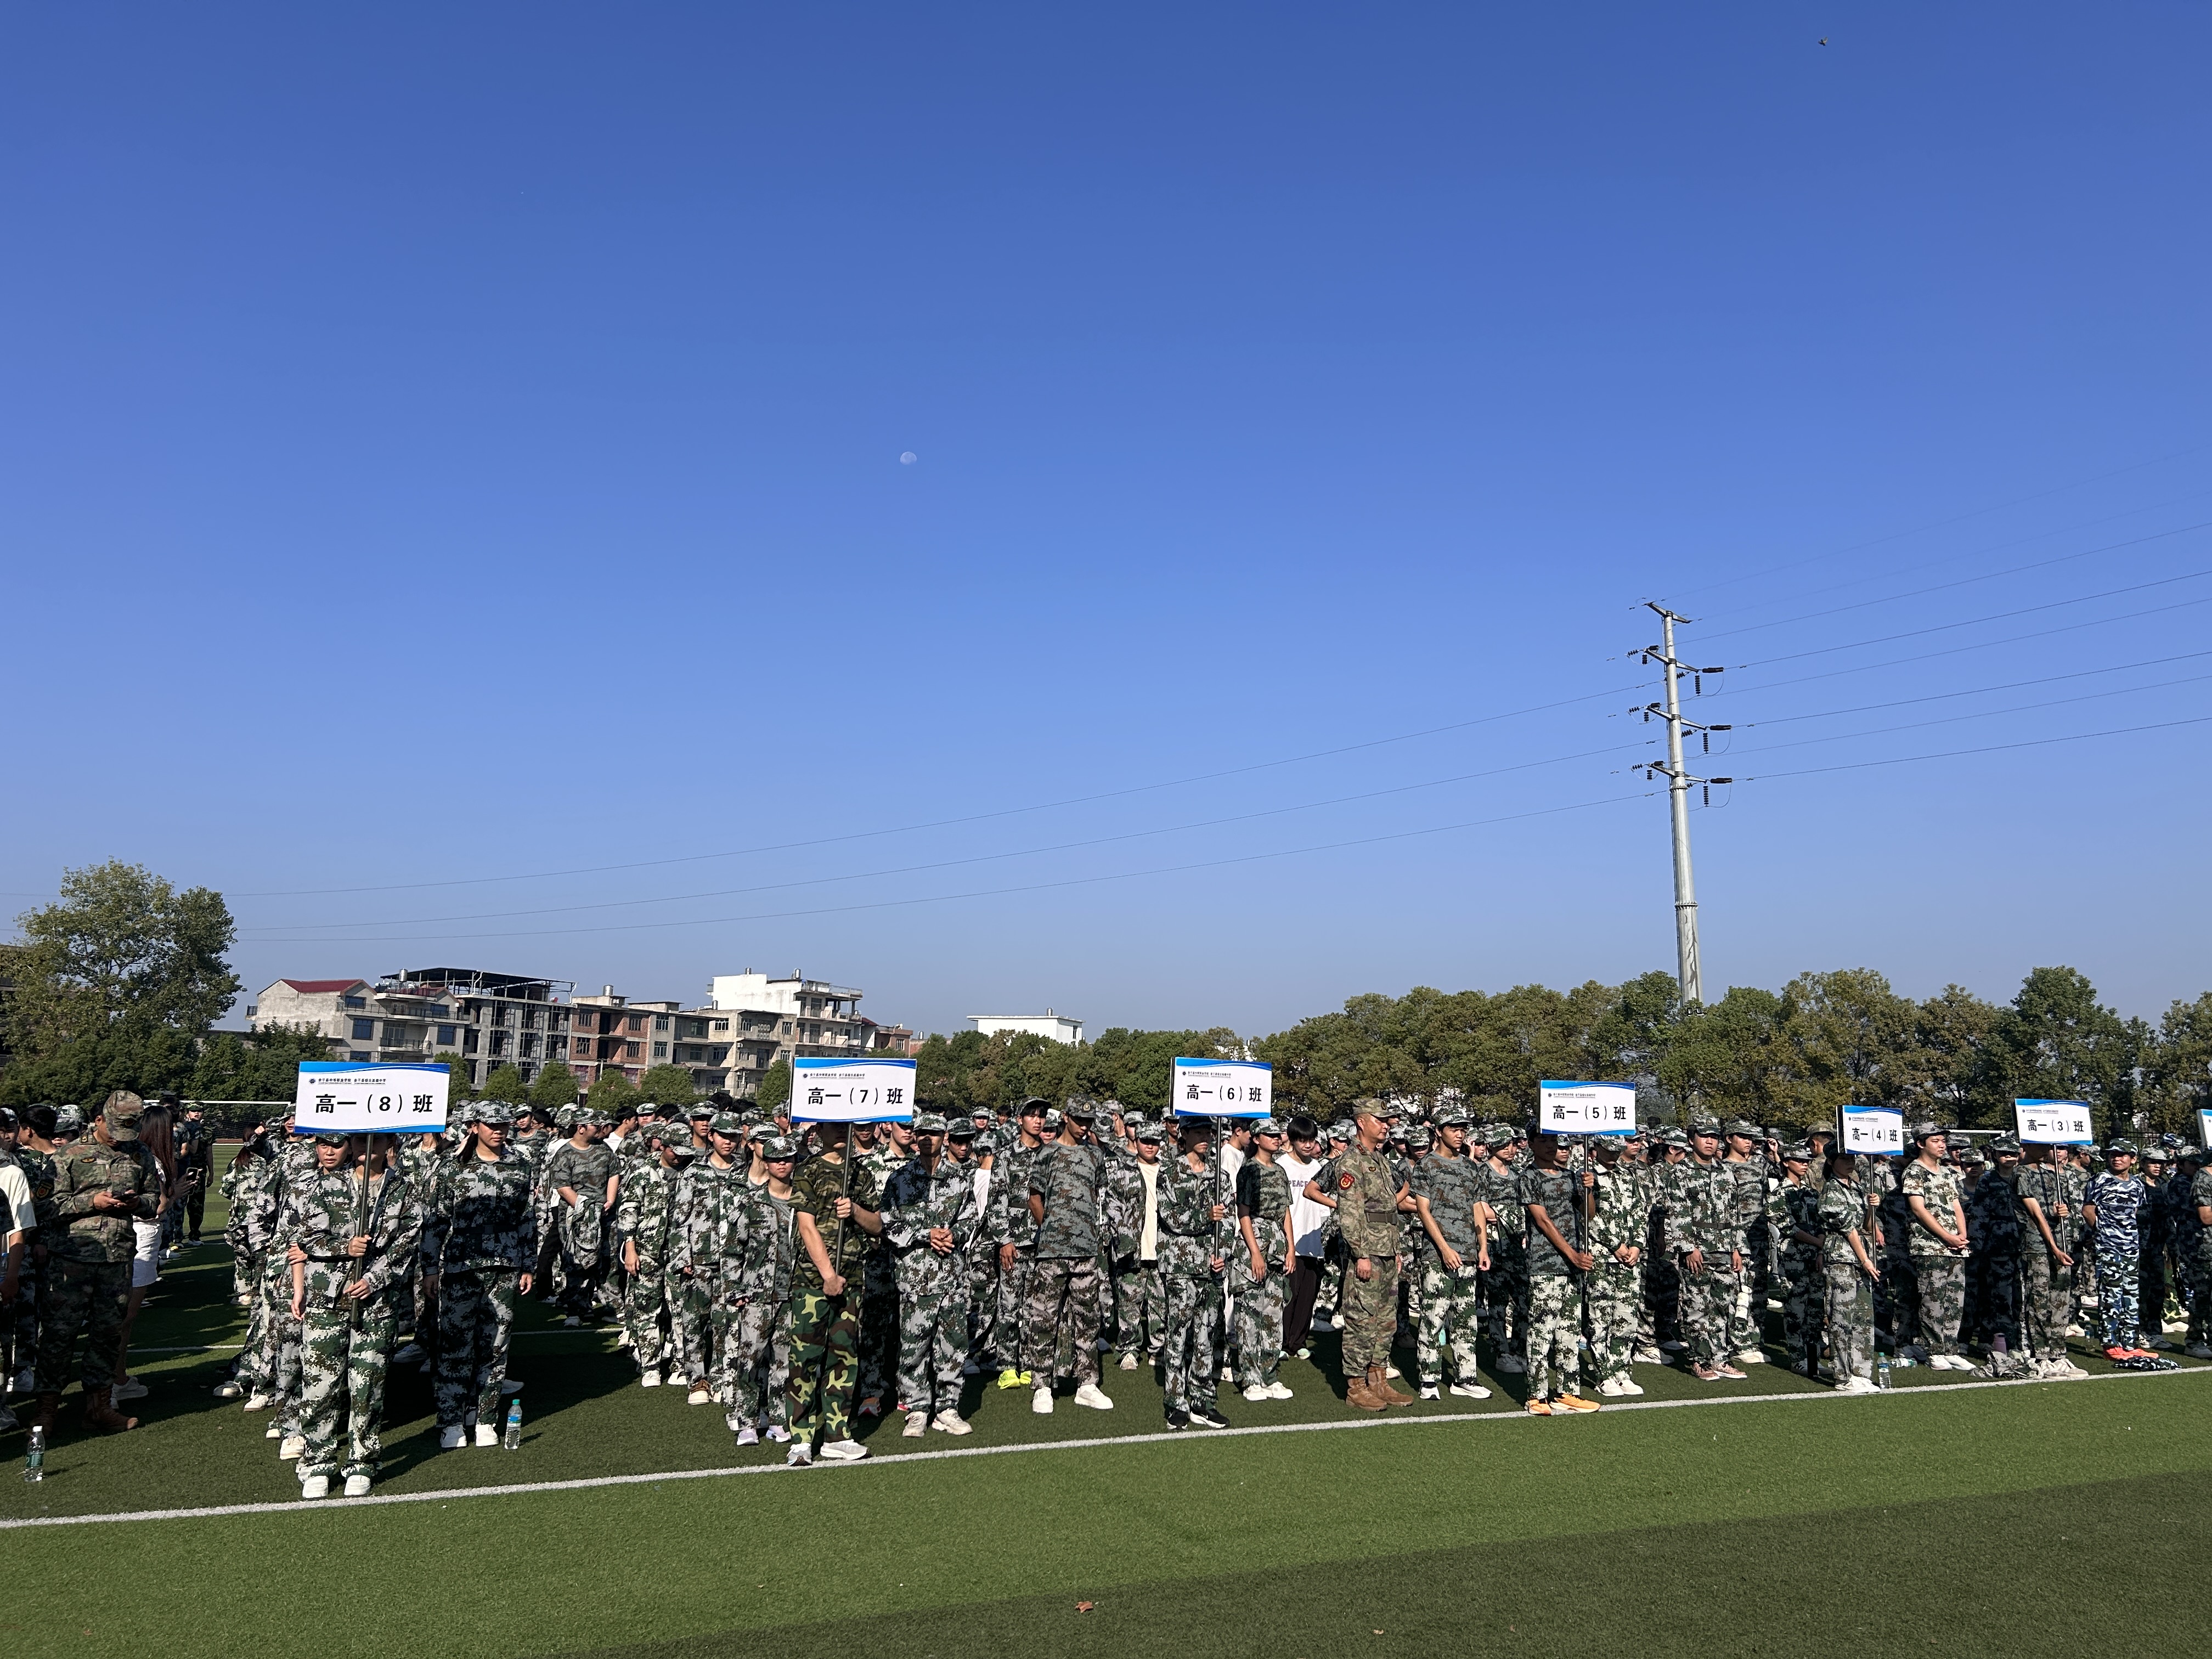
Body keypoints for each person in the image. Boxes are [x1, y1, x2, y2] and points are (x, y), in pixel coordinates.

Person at [290, 1132, 422, 1499]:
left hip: (375, 1304)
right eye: (360, 1140)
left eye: (376, 1141)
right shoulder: (324, 1185)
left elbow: (406, 1245)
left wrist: (373, 1279)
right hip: (326, 1299)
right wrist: (344, 1247)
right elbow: (306, 1238)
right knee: (320, 1386)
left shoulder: (404, 1191)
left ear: (389, 1145)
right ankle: (318, 1461)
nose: (368, 1147)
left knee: (367, 1386)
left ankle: (362, 1461)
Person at [32, 1090, 161, 1434]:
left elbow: (154, 1199)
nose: (120, 1138)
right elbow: (46, 1206)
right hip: (71, 1259)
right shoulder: (68, 1155)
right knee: (59, 1336)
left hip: (117, 1258)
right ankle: (46, 1410)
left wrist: (136, 1204)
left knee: (107, 1334)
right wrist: (92, 1202)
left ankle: (99, 1407)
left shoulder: (140, 1153)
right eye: (116, 1129)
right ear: (99, 1119)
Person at [427, 1102, 537, 1448]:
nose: (499, 1130)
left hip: (505, 1266)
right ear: (475, 1127)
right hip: (462, 1266)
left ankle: (486, 1417)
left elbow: (527, 1218)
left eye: (503, 1124)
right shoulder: (452, 1166)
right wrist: (430, 1268)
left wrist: (529, 1265)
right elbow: (436, 1219)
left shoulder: (521, 1164)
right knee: (455, 1345)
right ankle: (451, 1420)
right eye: (491, 1124)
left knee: (496, 1345)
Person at [783, 1119, 883, 1465]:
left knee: (844, 1358)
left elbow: (877, 1225)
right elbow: (806, 1227)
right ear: (820, 1132)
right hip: (813, 1281)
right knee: (806, 1359)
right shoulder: (808, 1171)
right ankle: (801, 1438)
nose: (842, 1131)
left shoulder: (860, 1174)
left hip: (852, 1278)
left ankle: (837, 1435)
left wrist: (854, 1211)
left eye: (846, 1126)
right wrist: (828, 1274)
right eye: (834, 1126)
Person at [881, 1112, 982, 1436]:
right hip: (916, 1277)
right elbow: (889, 1225)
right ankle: (917, 1408)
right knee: (914, 1345)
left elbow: (970, 1218)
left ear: (945, 1138)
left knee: (953, 1344)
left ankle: (948, 1407)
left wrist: (953, 1234)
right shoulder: (899, 1180)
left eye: (934, 1134)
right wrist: (927, 1235)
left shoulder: (960, 1179)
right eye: (922, 1133)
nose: (927, 1139)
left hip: (952, 1275)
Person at [1022, 1099, 1114, 1415]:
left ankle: (1087, 1384)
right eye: (1079, 1119)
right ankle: (1042, 1385)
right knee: (1044, 1318)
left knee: (1088, 1317)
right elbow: (1034, 1197)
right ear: (1065, 1118)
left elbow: (1098, 1195)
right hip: (1052, 1252)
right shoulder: (1047, 1154)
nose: (1084, 1126)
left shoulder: (1095, 1155)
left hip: (1086, 1250)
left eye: (1089, 1121)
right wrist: (1050, 1228)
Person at [1335, 1100, 1415, 1411]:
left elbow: (1389, 1209)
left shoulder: (1380, 1159)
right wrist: (1361, 1254)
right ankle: (1356, 1386)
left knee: (1385, 1319)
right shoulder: (1351, 1162)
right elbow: (1351, 1213)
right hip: (1368, 1252)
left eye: (1387, 1121)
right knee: (1362, 1318)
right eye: (1379, 1120)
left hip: (1387, 1250)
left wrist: (1396, 1251)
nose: (1385, 1125)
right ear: (1361, 1122)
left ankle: (1378, 1379)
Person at [1155, 1116, 1232, 1429]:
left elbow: (1228, 1220)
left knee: (1206, 1334)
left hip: (1210, 1267)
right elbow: (1170, 1217)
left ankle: (1202, 1399)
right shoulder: (1170, 1173)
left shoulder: (1220, 1176)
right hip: (1180, 1266)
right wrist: (1205, 1216)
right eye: (1198, 1132)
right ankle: (1176, 1402)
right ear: (1184, 1135)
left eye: (1208, 1132)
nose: (1205, 1137)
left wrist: (1222, 1254)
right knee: (1178, 1333)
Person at [1408, 1108, 1488, 1401]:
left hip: (1469, 1253)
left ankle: (1465, 1378)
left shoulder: (1471, 1167)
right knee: (1434, 1317)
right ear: (1439, 1131)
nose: (1460, 1133)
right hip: (1438, 1255)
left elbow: (1477, 1208)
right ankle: (1429, 1379)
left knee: (1467, 1320)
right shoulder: (1427, 1165)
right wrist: (1444, 1248)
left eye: (1463, 1128)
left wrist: (1483, 1247)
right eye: (1454, 1128)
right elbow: (1423, 1210)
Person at [1520, 1132, 1598, 1414]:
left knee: (1569, 1331)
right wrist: (1572, 1254)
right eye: (1544, 1141)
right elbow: (1542, 1220)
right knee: (1542, 1330)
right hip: (1546, 1263)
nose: (1551, 1146)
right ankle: (1536, 1395)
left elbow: (1588, 1214)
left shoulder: (1571, 1176)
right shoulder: (1529, 1177)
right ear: (1531, 1144)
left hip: (1573, 1264)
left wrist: (1589, 1190)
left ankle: (1567, 1392)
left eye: (1554, 1141)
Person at [615, 1126, 697, 1386]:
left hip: (680, 1252)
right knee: (647, 1308)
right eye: (675, 1151)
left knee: (680, 1309)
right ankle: (650, 1365)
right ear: (662, 1146)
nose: (679, 1157)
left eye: (684, 1153)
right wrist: (630, 1249)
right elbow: (629, 1211)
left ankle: (679, 1364)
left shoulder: (692, 1173)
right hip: (647, 1251)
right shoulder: (643, 1173)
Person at [1666, 1116, 1746, 1382]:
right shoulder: (1681, 1172)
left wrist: (1738, 1248)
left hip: (1724, 1247)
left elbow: (1735, 1213)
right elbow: (1678, 1211)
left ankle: (1721, 1358)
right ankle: (1699, 1359)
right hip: (1697, 1249)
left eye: (1714, 1137)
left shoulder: (1726, 1172)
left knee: (1724, 1305)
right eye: (1704, 1136)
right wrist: (1688, 1247)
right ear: (1692, 1140)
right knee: (1697, 1306)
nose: (1710, 1141)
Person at [1899, 1122, 1975, 1370]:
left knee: (1955, 1299)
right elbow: (1918, 1209)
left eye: (1943, 1141)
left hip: (1955, 1246)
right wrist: (1947, 1236)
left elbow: (1956, 1205)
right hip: (1929, 1245)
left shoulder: (1948, 1172)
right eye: (1936, 1141)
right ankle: (1934, 1350)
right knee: (1933, 1299)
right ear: (1921, 1144)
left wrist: (1961, 1235)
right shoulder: (1914, 1171)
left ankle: (1950, 1348)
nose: (1942, 1145)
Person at [987, 1098, 1050, 1391]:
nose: (1038, 1121)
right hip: (1014, 1242)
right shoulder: (1006, 1155)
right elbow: (996, 1200)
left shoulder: (1051, 1155)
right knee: (1009, 1306)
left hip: (1043, 1242)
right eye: (1032, 1115)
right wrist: (1004, 1240)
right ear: (1020, 1120)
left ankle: (1029, 1363)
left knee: (1036, 1308)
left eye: (1042, 1116)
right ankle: (1007, 1365)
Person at [1231, 1118, 1295, 1402]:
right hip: (1254, 1242)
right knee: (1249, 1314)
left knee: (1273, 1314)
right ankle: (1250, 1378)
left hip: (1277, 1245)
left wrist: (1291, 1248)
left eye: (1277, 1134)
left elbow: (1285, 1212)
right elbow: (1243, 1213)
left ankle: (1269, 1375)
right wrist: (1255, 1253)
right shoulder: (1249, 1170)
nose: (1276, 1138)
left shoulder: (1280, 1171)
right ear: (1256, 1139)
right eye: (1270, 1135)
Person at [1583, 1133, 1647, 1397]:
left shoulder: (1627, 1175)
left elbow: (1640, 1212)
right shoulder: (1589, 1177)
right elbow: (1589, 1218)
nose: (1612, 1155)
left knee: (1626, 1317)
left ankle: (1622, 1371)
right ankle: (1604, 1374)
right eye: (1607, 1150)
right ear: (1596, 1149)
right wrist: (1615, 1245)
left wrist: (1637, 1246)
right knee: (1600, 1317)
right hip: (1602, 1256)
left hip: (1629, 1258)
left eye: (1615, 1150)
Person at [2015, 1143, 2085, 1378]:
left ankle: (2058, 1353)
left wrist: (2062, 1213)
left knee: (2061, 1297)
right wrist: (2054, 1248)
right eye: (2042, 1144)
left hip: (2061, 1242)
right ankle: (2041, 1355)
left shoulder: (2053, 1174)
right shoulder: (2022, 1173)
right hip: (2037, 1245)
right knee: (2039, 1299)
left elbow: (2060, 1208)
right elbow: (2036, 1213)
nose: (2048, 1149)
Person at [1816, 1149, 1880, 1393]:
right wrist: (1865, 1260)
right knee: (1842, 1319)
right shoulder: (1831, 1190)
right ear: (1832, 1161)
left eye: (1852, 1158)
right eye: (1844, 1159)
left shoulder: (1857, 1189)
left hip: (1861, 1259)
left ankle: (1862, 1372)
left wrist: (1872, 1207)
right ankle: (1844, 1375)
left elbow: (1866, 1227)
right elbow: (1849, 1230)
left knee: (1863, 1318)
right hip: (1842, 1260)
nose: (1850, 1163)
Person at [2084, 1139, 2153, 1360]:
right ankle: (2110, 1344)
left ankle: (2130, 1343)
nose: (2117, 1158)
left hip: (2131, 1247)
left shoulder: (2138, 1184)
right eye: (2113, 1154)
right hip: (2109, 1247)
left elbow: (2137, 1212)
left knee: (2131, 1295)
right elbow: (2088, 1210)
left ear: (2133, 1159)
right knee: (2111, 1295)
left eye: (2122, 1155)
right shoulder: (2100, 1180)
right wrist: (2103, 1234)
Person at [1766, 1142, 1825, 1377]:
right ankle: (1797, 1357)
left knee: (1815, 1309)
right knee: (1795, 1309)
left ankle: (1813, 1357)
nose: (1804, 1164)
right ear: (1785, 1163)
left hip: (1814, 1257)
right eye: (1799, 1160)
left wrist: (1820, 1250)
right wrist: (1818, 1243)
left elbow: (1821, 1224)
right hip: (1793, 1257)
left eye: (1807, 1161)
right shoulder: (1779, 1194)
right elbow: (1788, 1227)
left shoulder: (1812, 1193)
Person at [1278, 1117, 1330, 1355]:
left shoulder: (1318, 1168)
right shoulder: (1282, 1166)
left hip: (1313, 1241)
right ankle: (1281, 1342)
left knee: (1308, 1296)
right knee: (1288, 1294)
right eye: (1302, 1140)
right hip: (1290, 1241)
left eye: (1311, 1140)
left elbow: (1323, 1207)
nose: (1308, 1145)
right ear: (1292, 1140)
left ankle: (1298, 1342)